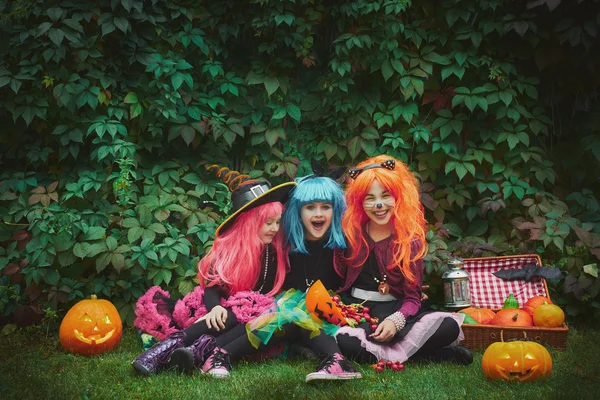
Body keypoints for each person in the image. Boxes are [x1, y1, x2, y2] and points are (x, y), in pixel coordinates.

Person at [199, 161, 362, 382]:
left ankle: (219, 353)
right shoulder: (283, 245)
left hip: (331, 312)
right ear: (298, 211)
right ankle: (219, 354)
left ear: (336, 209)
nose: (319, 213)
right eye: (310, 207)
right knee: (289, 310)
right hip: (288, 316)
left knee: (295, 310)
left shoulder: (344, 248)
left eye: (326, 206)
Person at [131, 166, 295, 376]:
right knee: (228, 316)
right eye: (268, 223)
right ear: (249, 224)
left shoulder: (275, 254)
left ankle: (196, 351)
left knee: (245, 319)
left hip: (248, 319)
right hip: (220, 310)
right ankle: (159, 352)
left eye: (277, 223)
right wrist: (215, 308)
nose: (274, 228)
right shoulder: (232, 252)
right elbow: (213, 287)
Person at [333, 155, 473, 365]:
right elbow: (337, 281)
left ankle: (392, 353)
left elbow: (413, 298)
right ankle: (428, 355)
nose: (379, 204)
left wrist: (396, 321)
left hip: (396, 309)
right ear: (359, 202)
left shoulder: (409, 241)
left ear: (398, 197)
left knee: (448, 326)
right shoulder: (351, 235)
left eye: (386, 195)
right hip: (360, 312)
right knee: (347, 342)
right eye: (369, 198)